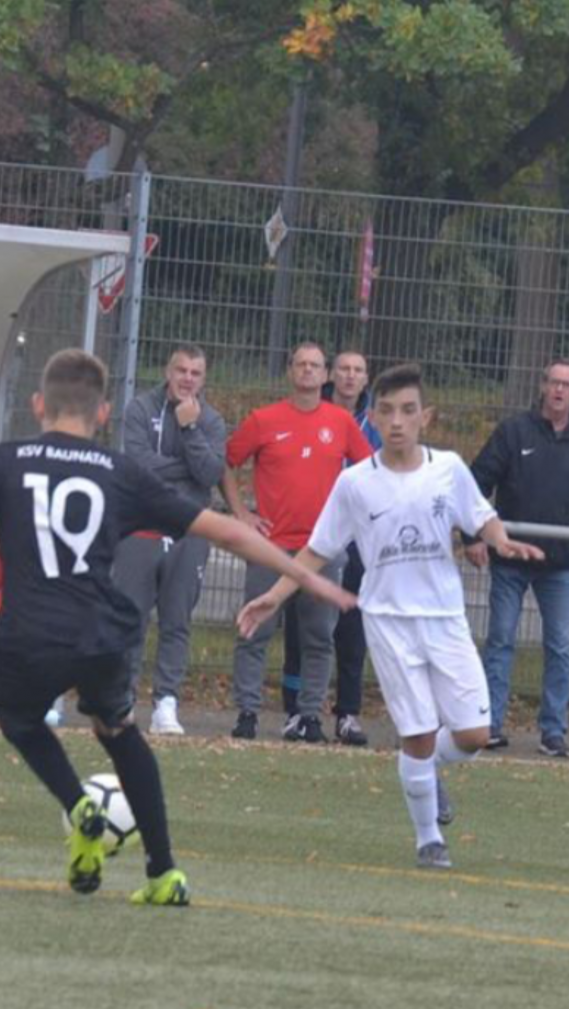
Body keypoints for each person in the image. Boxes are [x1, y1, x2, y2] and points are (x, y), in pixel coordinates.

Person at [0, 349, 356, 904]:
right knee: (120, 733)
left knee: (18, 717)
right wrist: (307, 577)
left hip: (30, 633)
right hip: (102, 634)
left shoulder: (9, 462)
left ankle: (78, 804)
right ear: (103, 414)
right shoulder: (119, 473)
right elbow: (229, 531)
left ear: (39, 405)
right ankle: (164, 874)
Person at [237, 363, 543, 869]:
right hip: (388, 621)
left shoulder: (448, 468)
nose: (397, 421)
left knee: (473, 736)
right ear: (374, 418)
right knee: (417, 735)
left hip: (445, 619)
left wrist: (500, 539)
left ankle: (426, 769)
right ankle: (428, 840)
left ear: (426, 416)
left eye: (407, 410)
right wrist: (275, 594)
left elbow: (481, 516)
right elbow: (317, 550)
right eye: (387, 411)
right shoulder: (356, 483)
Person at [222, 341, 372, 743]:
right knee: (254, 630)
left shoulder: (341, 422)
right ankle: (248, 713)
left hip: (322, 551)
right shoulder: (263, 419)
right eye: (301, 364)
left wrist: (353, 521)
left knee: (319, 637)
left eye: (315, 365)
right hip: (269, 547)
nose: (307, 370)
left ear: (325, 375)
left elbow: (370, 472)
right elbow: (226, 462)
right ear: (290, 371)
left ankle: (309, 717)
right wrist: (240, 513)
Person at [464, 358, 569, 757]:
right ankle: (490, 724)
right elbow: (475, 484)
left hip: (559, 564)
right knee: (500, 640)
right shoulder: (513, 432)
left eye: (567, 384)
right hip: (509, 558)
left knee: (560, 646)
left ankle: (553, 732)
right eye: (554, 382)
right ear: (543, 386)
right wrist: (473, 535)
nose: (559, 390)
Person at [113, 344, 226, 736]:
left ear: (203, 378)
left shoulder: (211, 420)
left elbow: (210, 473)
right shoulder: (140, 409)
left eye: (196, 373)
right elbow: (138, 466)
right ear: (168, 371)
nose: (187, 379)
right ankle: (123, 700)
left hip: (189, 532)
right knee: (131, 618)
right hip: (140, 529)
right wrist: (186, 468)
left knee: (177, 621)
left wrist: (190, 429)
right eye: (181, 370)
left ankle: (166, 703)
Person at [282, 349, 381, 746]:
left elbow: (383, 472)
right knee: (302, 625)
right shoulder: (310, 412)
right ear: (330, 375)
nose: (350, 376)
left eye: (358, 370)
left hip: (357, 540)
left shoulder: (377, 421)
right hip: (314, 537)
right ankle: (296, 709)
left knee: (351, 625)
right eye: (343, 369)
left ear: (366, 377)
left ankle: (347, 713)